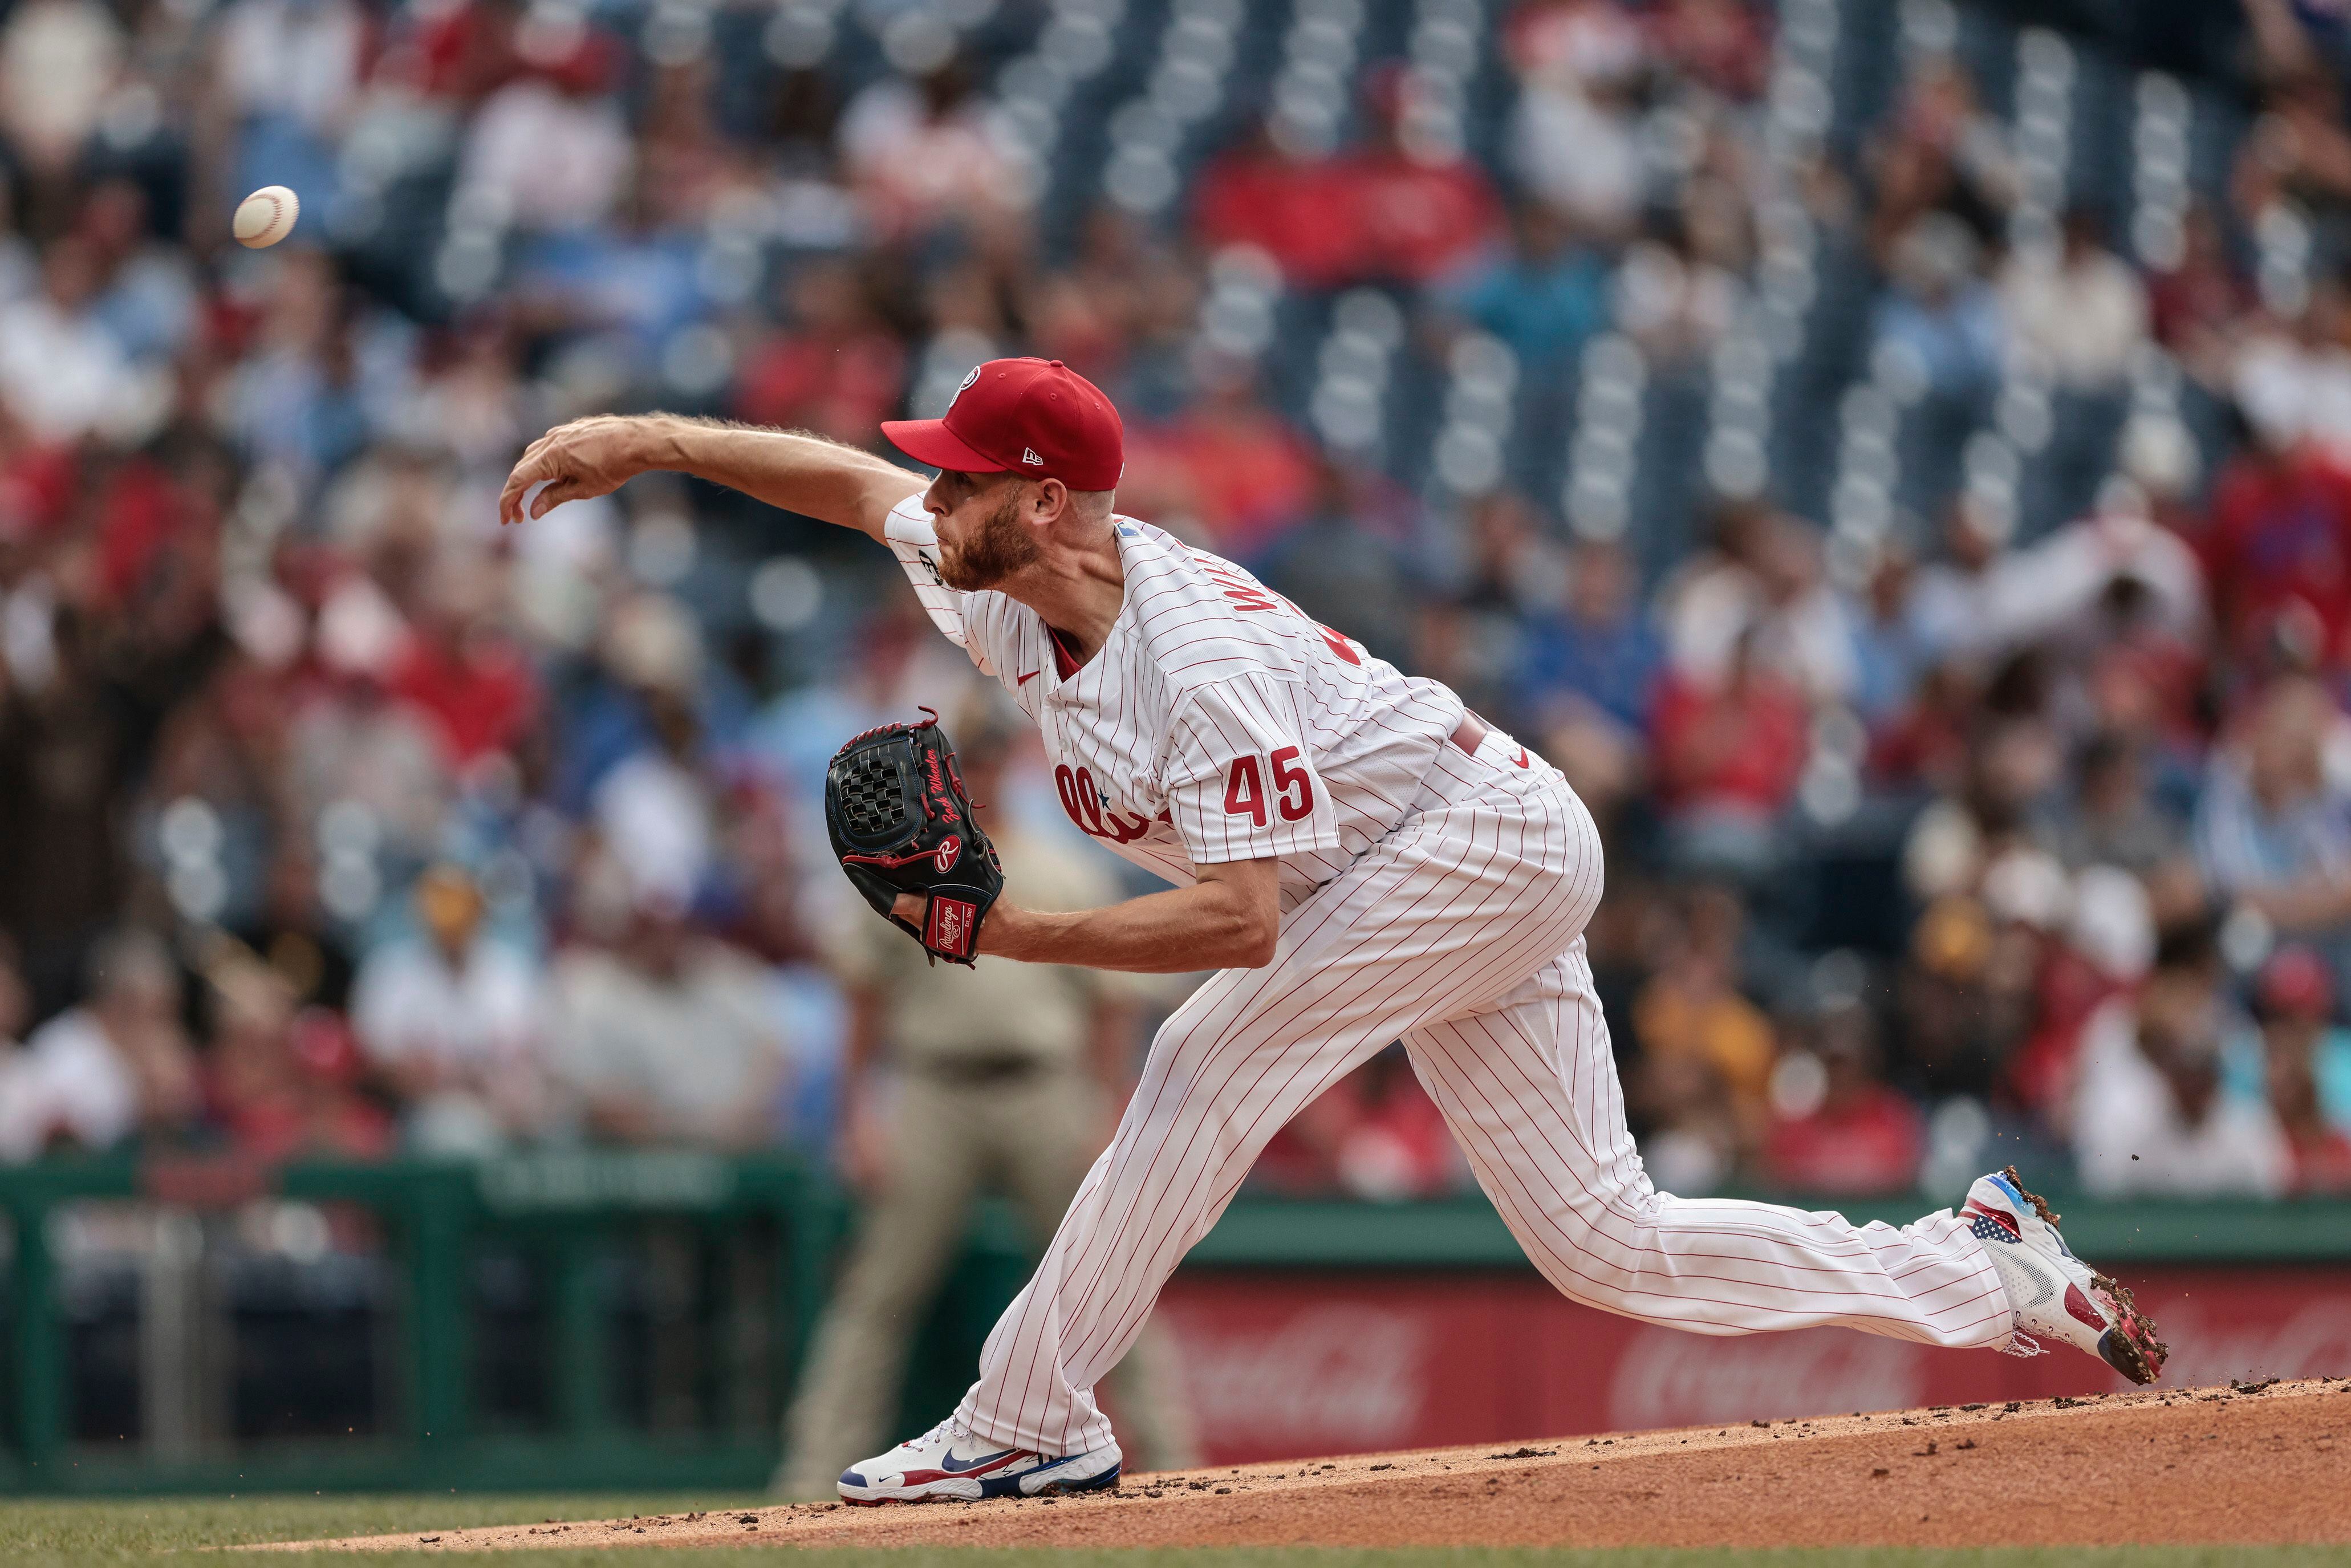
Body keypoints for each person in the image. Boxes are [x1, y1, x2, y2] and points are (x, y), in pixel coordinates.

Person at [500, 355, 2167, 1506]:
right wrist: (642, 435)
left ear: (1052, 500)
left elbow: (1236, 923)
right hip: (1429, 860)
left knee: (1203, 1055)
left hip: (1484, 838)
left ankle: (1023, 1416)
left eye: (965, 474)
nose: (930, 493)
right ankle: (1985, 1269)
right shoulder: (987, 568)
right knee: (1602, 1238)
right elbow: (847, 478)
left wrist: (1008, 938)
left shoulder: (1191, 659)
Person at [772, 718, 1196, 1497]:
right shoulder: (907, 873)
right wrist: (855, 1114)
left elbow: (1112, 1003)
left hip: (1046, 1088)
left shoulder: (1060, 868)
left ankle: (1177, 1460)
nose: (988, 775)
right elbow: (862, 1001)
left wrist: (1109, 1108)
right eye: (975, 763)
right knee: (878, 1292)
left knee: (1110, 1279)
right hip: (934, 1093)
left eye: (997, 759)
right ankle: (805, 1477)